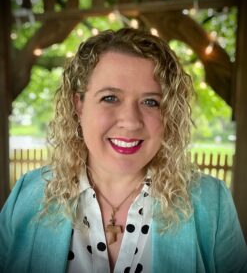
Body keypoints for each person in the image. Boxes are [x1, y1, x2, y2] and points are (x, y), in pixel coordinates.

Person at [0, 28, 246, 273]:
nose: (130, 121)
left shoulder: (212, 203)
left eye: (151, 102)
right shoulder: (26, 197)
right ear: (79, 104)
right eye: (110, 98)